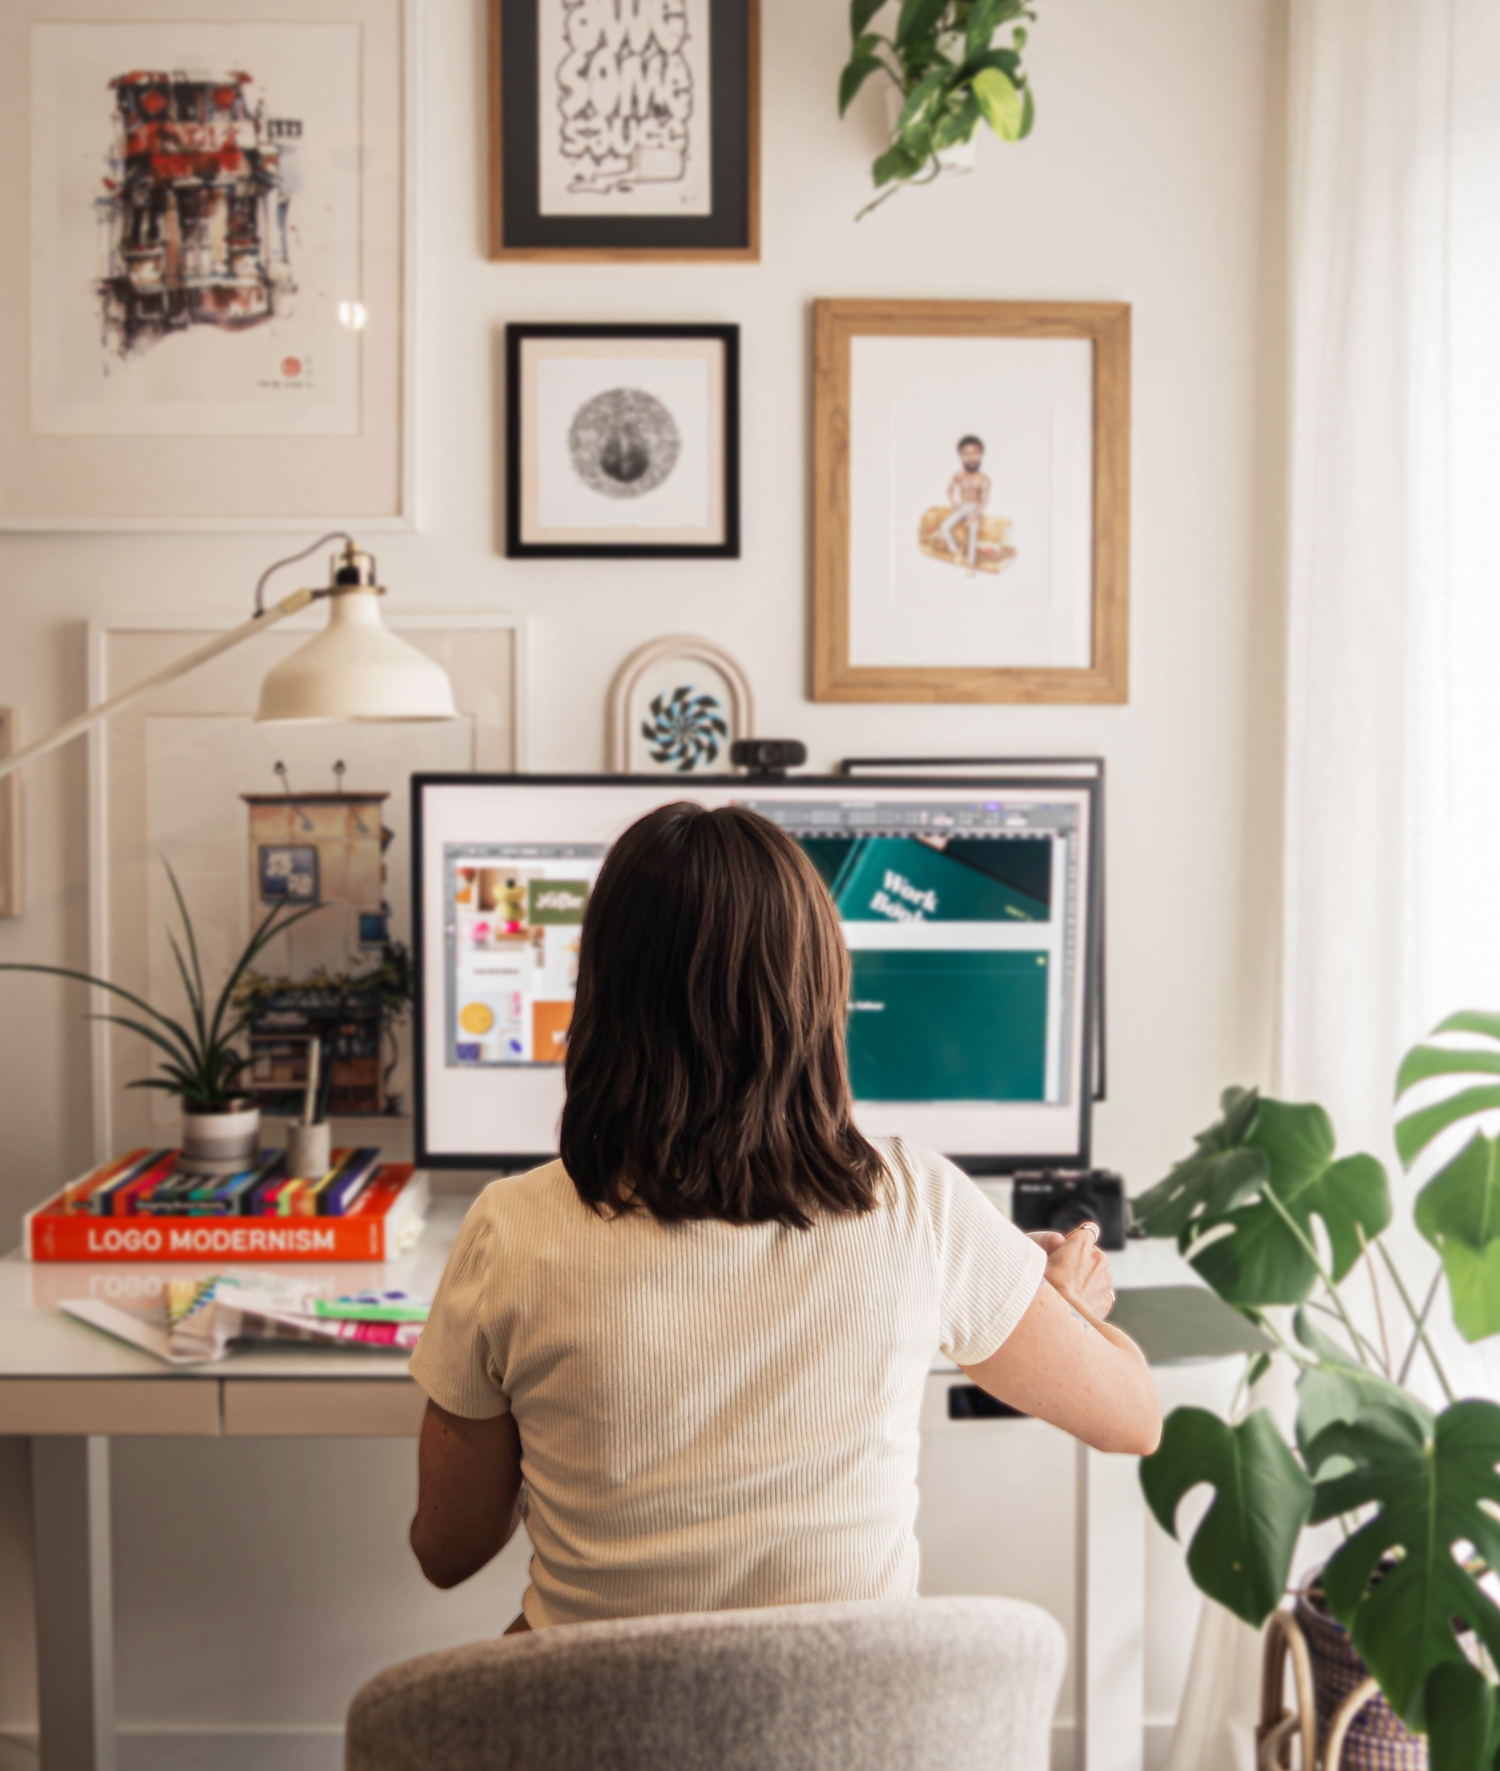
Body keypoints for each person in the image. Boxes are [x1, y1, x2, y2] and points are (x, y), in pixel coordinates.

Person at [408, 804, 1160, 1629]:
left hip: (603, 1724)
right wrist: (1068, 1306)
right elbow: (1134, 1419)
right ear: (819, 994)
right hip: (847, 1737)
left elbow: (449, 1553)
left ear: (601, 996)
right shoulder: (919, 1202)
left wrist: (550, 1447)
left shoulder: (510, 1230)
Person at [937, 434, 991, 572]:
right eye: (966, 454)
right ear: (960, 457)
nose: (971, 457)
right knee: (945, 526)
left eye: (974, 453)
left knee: (973, 532)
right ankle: (955, 550)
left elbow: (984, 501)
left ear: (981, 455)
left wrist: (973, 518)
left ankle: (970, 565)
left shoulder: (984, 478)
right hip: (962, 505)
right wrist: (954, 504)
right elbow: (949, 490)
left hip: (975, 508)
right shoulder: (958, 475)